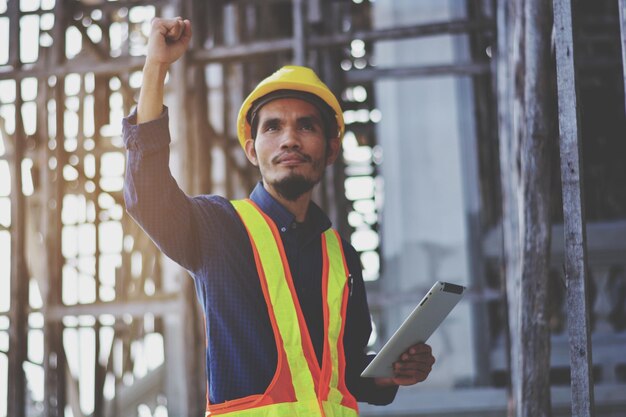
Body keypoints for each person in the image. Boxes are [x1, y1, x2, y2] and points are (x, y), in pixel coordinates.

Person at [123, 16, 435, 416]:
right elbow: (146, 193)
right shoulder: (218, 229)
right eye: (273, 127)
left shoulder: (341, 255)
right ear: (253, 151)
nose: (290, 138)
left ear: (330, 151)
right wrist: (156, 68)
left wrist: (391, 373)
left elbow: (342, 373)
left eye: (306, 126)